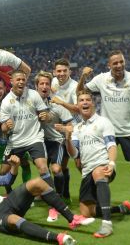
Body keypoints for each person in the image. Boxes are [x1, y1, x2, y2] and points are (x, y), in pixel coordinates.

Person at [77, 50, 130, 221]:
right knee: (94, 167)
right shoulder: (101, 79)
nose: (118, 65)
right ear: (109, 65)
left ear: (124, 62)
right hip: (106, 130)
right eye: (115, 63)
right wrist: (82, 77)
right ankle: (94, 204)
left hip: (128, 131)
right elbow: (81, 93)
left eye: (121, 62)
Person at [56, 91, 130, 238]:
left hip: (103, 166)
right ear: (78, 105)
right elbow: (74, 154)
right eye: (81, 100)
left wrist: (112, 163)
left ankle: (107, 225)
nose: (85, 102)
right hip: (87, 171)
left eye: (88, 100)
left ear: (92, 103)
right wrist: (68, 138)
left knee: (97, 172)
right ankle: (121, 209)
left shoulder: (103, 122)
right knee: (87, 212)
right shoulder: (77, 128)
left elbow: (111, 145)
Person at [0, 70, 54, 193]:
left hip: (34, 138)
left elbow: (46, 116)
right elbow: (3, 128)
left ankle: (53, 204)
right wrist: (6, 126)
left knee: (43, 168)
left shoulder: (33, 95)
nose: (21, 82)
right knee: (3, 172)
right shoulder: (6, 101)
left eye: (23, 80)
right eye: (18, 80)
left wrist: (46, 117)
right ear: (11, 81)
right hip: (15, 141)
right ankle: (10, 194)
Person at [35, 71, 73, 222]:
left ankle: (58, 201)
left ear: (51, 86)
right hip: (38, 141)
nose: (44, 86)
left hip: (56, 141)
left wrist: (64, 131)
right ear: (36, 86)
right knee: (43, 171)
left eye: (47, 84)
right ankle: (46, 196)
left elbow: (69, 125)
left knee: (57, 170)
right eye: (41, 84)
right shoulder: (31, 101)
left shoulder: (57, 102)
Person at [50, 58, 80, 204]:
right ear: (54, 72)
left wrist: (61, 102)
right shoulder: (53, 82)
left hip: (72, 126)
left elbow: (78, 108)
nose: (61, 74)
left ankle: (62, 194)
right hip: (56, 126)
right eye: (58, 71)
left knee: (71, 162)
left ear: (70, 71)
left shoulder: (74, 86)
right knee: (61, 164)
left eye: (64, 71)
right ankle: (64, 194)